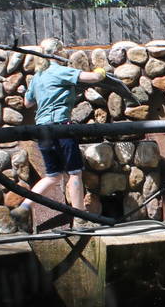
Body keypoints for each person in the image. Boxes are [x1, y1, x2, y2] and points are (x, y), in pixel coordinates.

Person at [23, 55, 127, 225]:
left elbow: (27, 102)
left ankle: (24, 207)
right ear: (55, 54)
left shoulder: (37, 76)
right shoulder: (58, 70)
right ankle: (80, 218)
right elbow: (92, 78)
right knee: (75, 173)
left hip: (42, 130)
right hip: (61, 127)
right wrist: (101, 72)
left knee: (52, 176)